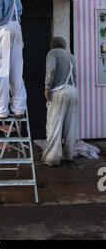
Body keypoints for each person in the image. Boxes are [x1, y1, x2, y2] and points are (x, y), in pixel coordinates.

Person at [43, 36, 78, 167]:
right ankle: (69, 155)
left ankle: (52, 158)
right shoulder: (71, 56)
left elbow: (50, 70)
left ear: (53, 44)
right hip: (73, 91)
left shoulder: (52, 53)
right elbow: (75, 76)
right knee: (70, 126)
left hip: (59, 91)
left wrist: (47, 88)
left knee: (54, 124)